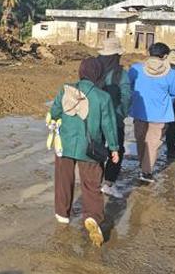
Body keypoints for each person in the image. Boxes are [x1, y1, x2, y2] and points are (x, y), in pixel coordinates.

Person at [48, 58, 121, 246]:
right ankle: (93, 217)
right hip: (90, 148)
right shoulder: (103, 97)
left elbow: (55, 111)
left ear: (81, 71)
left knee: (63, 180)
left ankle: (62, 215)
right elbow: (109, 125)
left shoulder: (66, 89)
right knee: (91, 184)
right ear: (98, 74)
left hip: (64, 144)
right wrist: (114, 148)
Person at [128, 42, 175, 185]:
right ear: (166, 56)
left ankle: (142, 165)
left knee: (140, 140)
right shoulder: (171, 73)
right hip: (161, 113)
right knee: (153, 143)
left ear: (148, 53)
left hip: (139, 110)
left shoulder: (136, 68)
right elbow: (173, 93)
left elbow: (128, 87)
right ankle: (146, 171)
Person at [90, 38, 132, 198]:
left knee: (95, 147)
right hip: (115, 118)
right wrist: (122, 115)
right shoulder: (121, 73)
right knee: (117, 150)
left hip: (94, 117)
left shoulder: (93, 69)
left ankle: (94, 180)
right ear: (117, 55)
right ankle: (108, 183)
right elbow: (127, 97)